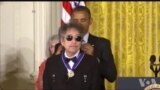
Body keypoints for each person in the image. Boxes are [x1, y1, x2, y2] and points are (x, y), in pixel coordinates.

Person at [70, 6, 117, 90]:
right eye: (75, 21)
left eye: (83, 20)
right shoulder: (63, 45)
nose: (79, 24)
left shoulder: (102, 44)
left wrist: (94, 57)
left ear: (90, 21)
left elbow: (111, 76)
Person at [43, 23, 101, 90]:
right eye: (69, 38)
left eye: (78, 38)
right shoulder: (51, 62)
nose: (74, 41)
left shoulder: (92, 62)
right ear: (62, 41)